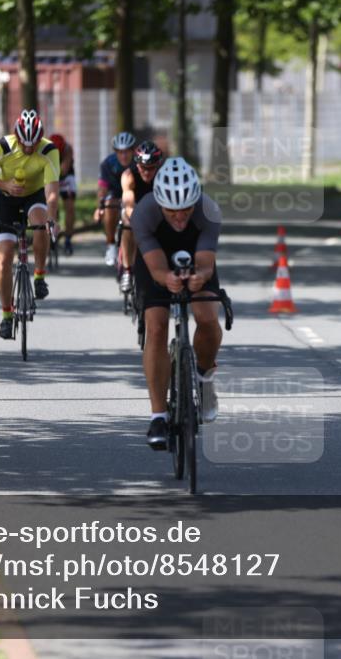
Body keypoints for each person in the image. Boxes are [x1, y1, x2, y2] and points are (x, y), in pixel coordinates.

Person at [130, 158, 223, 450]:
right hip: (155, 259)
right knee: (156, 327)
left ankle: (204, 378)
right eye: (172, 211)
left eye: (186, 210)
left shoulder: (208, 211)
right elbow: (156, 267)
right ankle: (158, 415)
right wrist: (165, 278)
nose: (180, 218)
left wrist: (199, 277)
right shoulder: (144, 213)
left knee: (207, 318)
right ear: (160, 203)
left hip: (195, 256)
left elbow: (206, 264)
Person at [0, 110, 59, 339]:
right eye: (25, 144)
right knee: (4, 258)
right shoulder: (3, 147)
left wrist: (52, 217)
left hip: (34, 196)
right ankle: (6, 315)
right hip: (6, 198)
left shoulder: (49, 150)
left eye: (33, 144)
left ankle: (40, 276)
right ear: (17, 136)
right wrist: (4, 184)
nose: (29, 149)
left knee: (41, 225)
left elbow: (52, 191)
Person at [118, 140, 165, 293]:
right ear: (137, 164)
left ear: (158, 165)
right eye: (143, 168)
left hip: (160, 210)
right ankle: (127, 270)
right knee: (127, 222)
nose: (146, 172)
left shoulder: (165, 175)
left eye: (151, 168)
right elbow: (129, 206)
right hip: (136, 210)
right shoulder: (129, 175)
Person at [97, 132, 137, 267]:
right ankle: (111, 245)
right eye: (120, 152)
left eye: (127, 152)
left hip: (133, 195)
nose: (124, 155)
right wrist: (99, 208)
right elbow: (102, 189)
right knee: (108, 205)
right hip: (115, 195)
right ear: (115, 152)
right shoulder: (108, 164)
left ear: (133, 151)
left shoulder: (138, 163)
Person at [49, 133, 76, 255]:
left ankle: (68, 239)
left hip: (66, 177)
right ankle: (52, 231)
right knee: (51, 202)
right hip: (51, 175)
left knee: (69, 207)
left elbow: (64, 169)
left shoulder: (68, 149)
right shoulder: (45, 149)